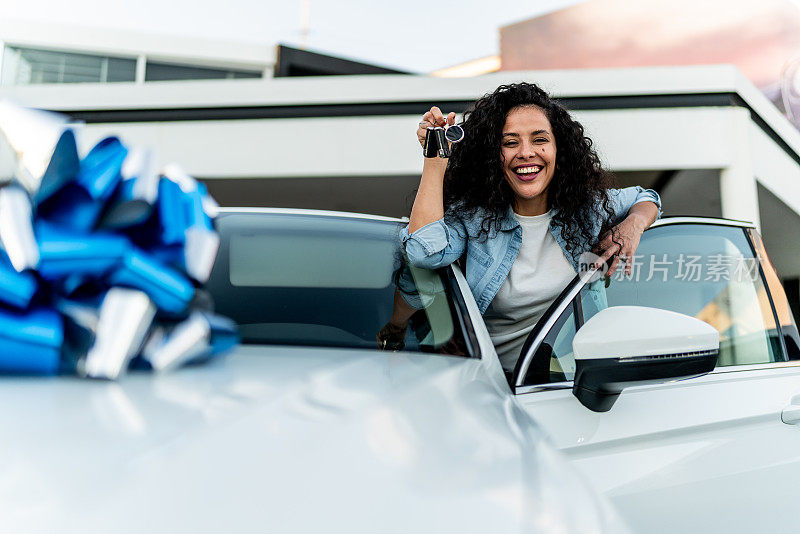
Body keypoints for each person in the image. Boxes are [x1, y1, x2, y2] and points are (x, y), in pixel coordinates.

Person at [400, 82, 661, 371]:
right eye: (510, 142)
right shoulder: (474, 220)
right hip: (480, 381)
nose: (526, 153)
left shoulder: (586, 210)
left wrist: (634, 224)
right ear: (493, 158)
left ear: (559, 152)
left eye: (539, 140)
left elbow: (644, 198)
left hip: (564, 383)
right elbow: (425, 251)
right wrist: (435, 158)